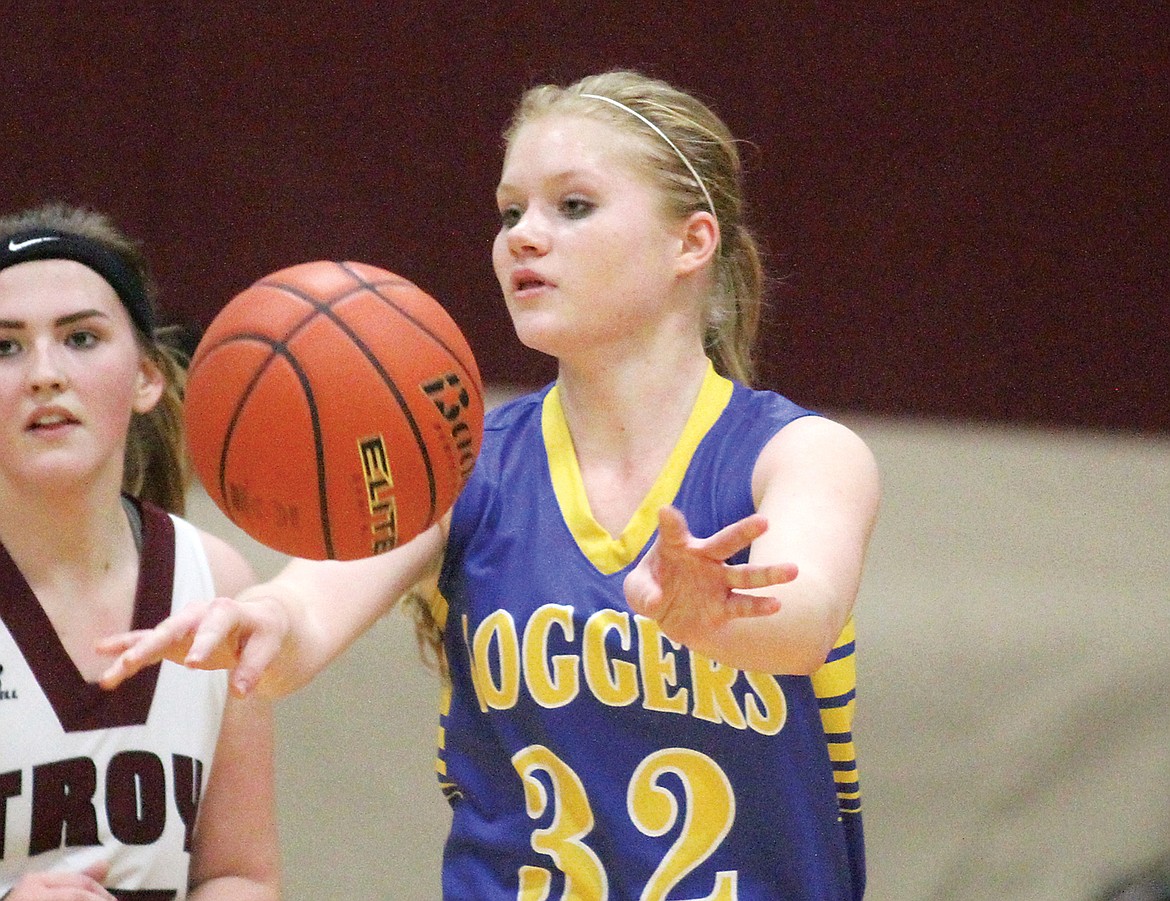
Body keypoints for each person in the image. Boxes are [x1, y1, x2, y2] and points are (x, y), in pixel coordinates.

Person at [102, 70, 881, 900]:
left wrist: (716, 617)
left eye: (572, 207)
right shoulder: (461, 459)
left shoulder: (798, 453)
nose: (523, 237)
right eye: (511, 212)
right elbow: (304, 622)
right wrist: (261, 618)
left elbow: (805, 620)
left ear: (690, 243)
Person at [0, 203, 280, 900]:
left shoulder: (215, 580)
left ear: (148, 376)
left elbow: (240, 873)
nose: (43, 373)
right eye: (5, 346)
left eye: (81, 338)